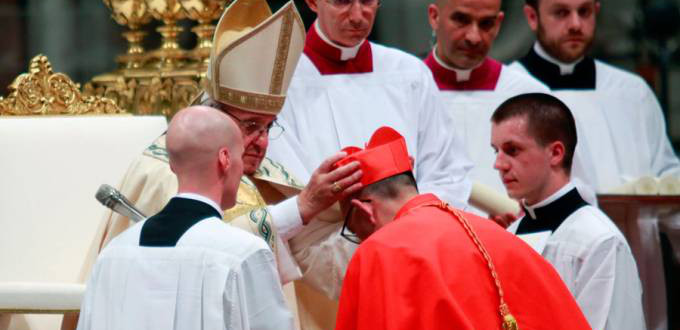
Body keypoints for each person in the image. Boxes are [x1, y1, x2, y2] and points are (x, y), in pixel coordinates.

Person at [91, 1, 361, 328]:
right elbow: (197, 253)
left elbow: (312, 261)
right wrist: (301, 207)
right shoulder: (166, 169)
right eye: (249, 126)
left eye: (269, 126)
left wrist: (366, 232)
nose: (261, 141)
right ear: (215, 114)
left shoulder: (269, 173)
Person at [265, 0, 473, 326]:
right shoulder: (281, 79)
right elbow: (279, 179)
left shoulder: (408, 73)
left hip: (413, 250)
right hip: (320, 256)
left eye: (368, 1)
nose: (359, 15)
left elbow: (446, 168)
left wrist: (411, 222)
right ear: (313, 2)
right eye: (343, 1)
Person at [333, 126, 591, 330]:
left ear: (365, 210)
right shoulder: (501, 236)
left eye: (356, 231)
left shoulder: (381, 250)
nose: (362, 239)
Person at [78, 106, 293, 330]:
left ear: (172, 165)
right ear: (225, 159)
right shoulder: (244, 253)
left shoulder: (113, 254)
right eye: (239, 156)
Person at [490, 93, 646, 330]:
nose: (498, 164)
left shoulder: (598, 241)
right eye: (496, 151)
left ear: (555, 153)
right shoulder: (509, 236)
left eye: (512, 150)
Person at [509, 0, 680, 192]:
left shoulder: (632, 92)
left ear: (596, 11)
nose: (576, 24)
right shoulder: (509, 92)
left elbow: (666, 174)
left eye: (584, 12)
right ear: (532, 17)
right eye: (561, 13)